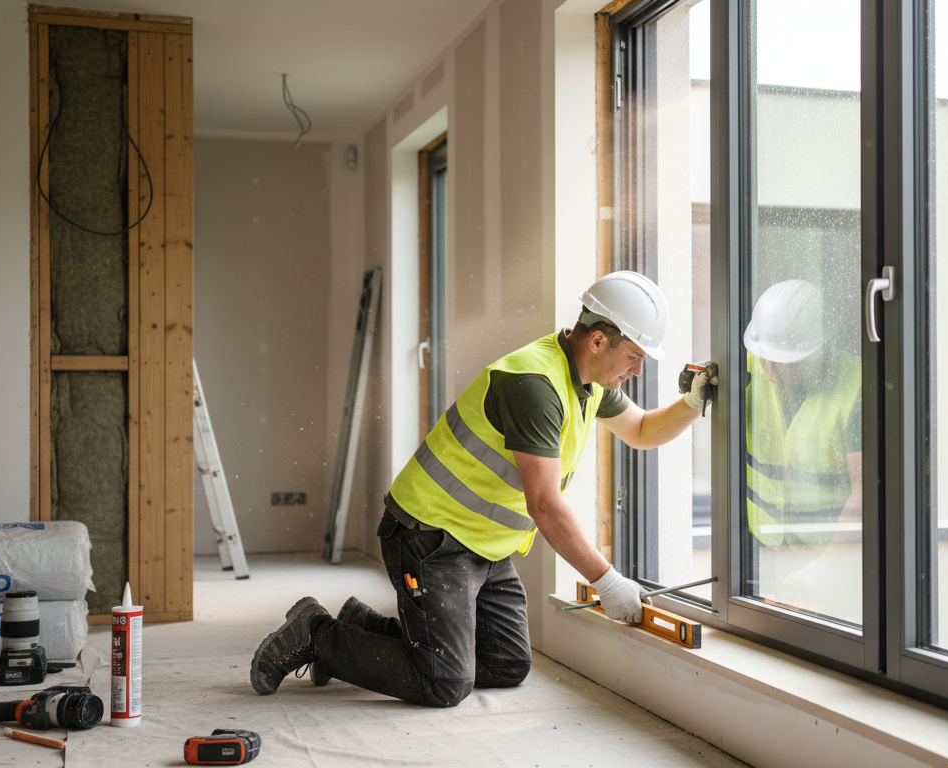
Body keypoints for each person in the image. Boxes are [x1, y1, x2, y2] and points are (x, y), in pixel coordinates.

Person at [248, 271, 715, 707]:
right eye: (634, 356)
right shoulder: (535, 385)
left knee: (505, 664)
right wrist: (606, 581)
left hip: (483, 547)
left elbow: (643, 431)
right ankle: (316, 634)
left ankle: (358, 626)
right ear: (598, 340)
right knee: (445, 682)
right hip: (429, 537)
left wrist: (694, 402)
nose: (636, 370)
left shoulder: (589, 381)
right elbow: (546, 506)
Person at [742, 279, 862, 607]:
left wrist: (822, 572)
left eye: (785, 360)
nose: (772, 369)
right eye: (766, 356)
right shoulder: (751, 369)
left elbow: (864, 493)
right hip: (762, 553)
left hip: (834, 558)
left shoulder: (855, 387)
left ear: (818, 349)